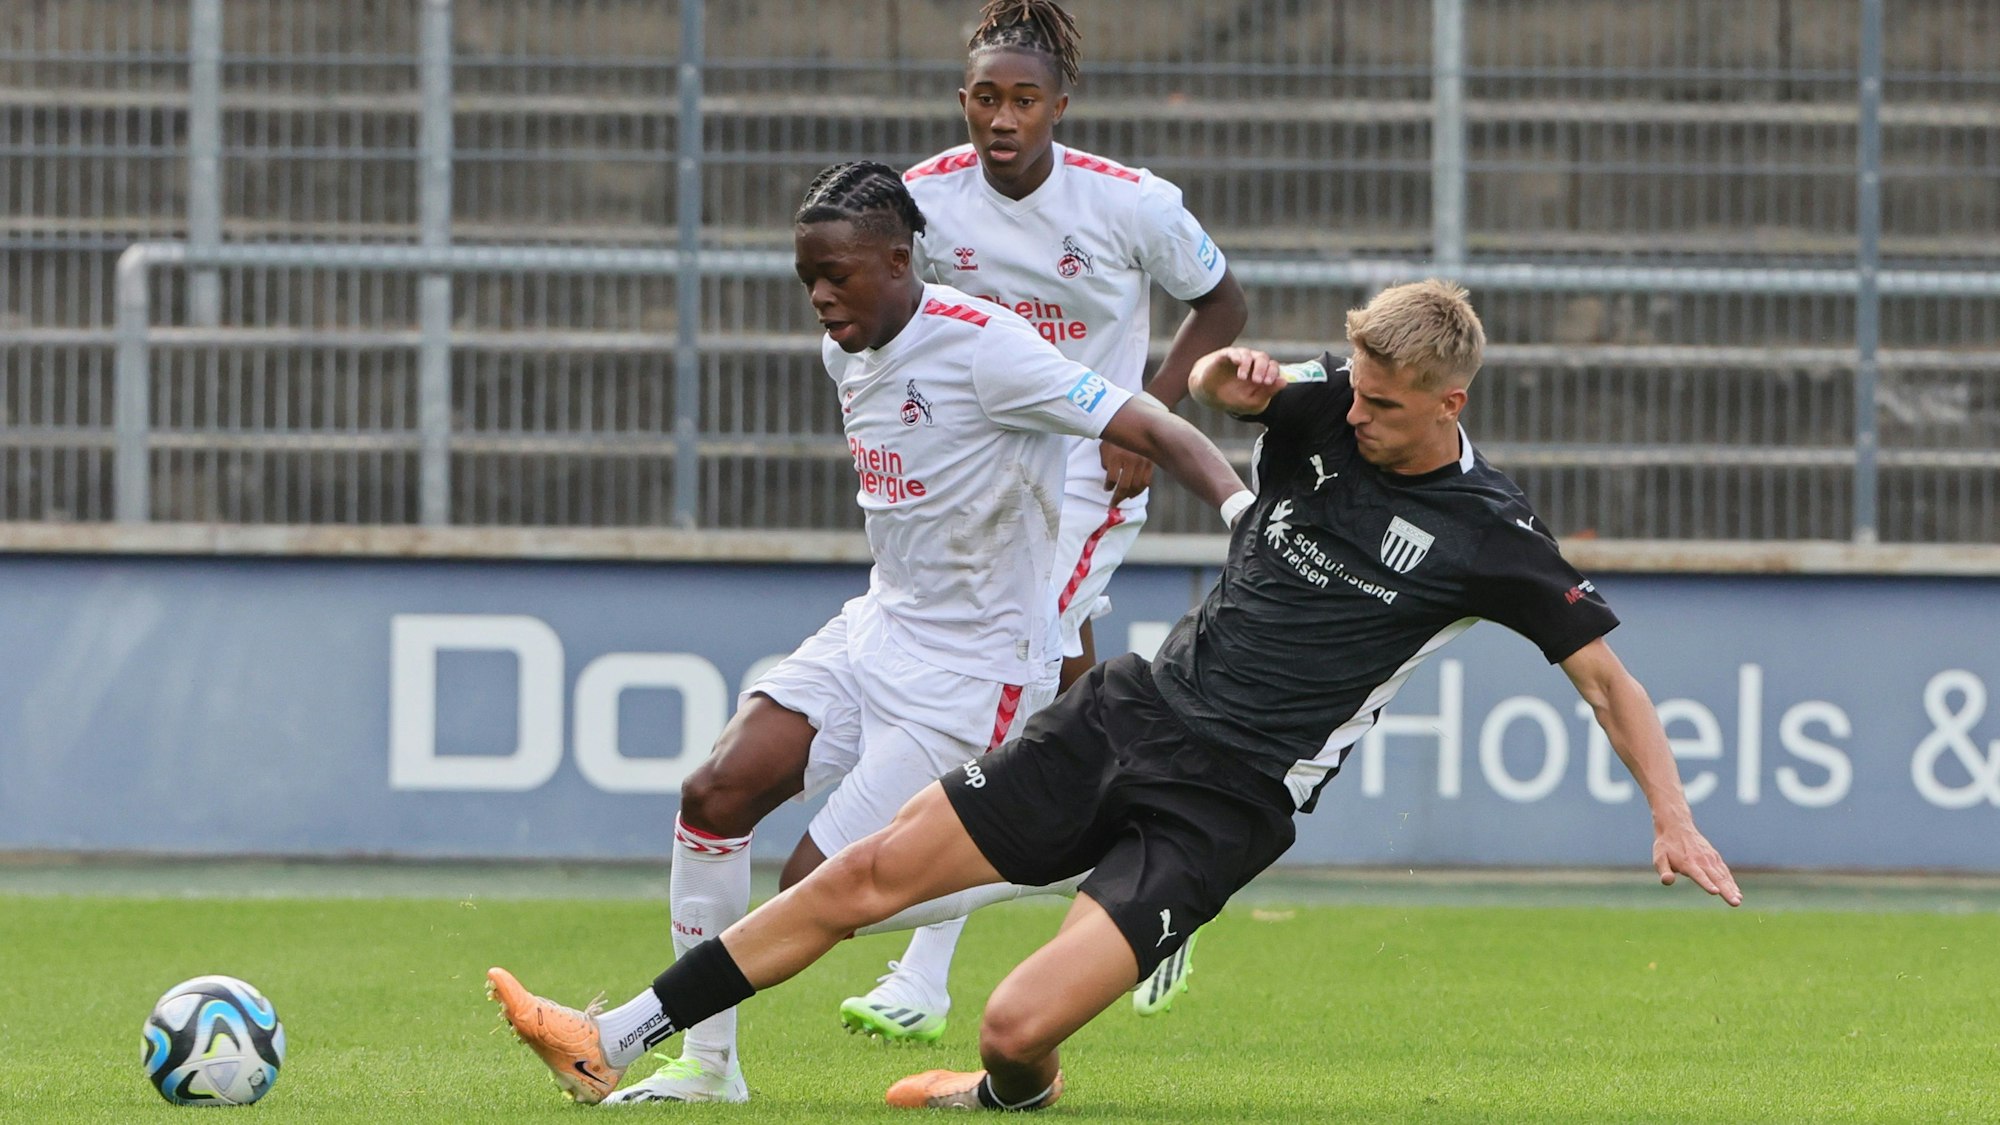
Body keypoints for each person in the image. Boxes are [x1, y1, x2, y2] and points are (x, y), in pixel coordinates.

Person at [489, 279, 1742, 1111]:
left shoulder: (1491, 533)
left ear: (1449, 407)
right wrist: (1230, 383)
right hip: (1126, 714)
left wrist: (1670, 815)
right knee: (852, 879)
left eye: (1385, 405)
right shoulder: (1319, 409)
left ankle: (998, 1098)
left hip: (1230, 801)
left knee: (1008, 1030)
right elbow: (1206, 393)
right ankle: (615, 1042)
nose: (1354, 415)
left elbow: (1605, 682)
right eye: (1350, 389)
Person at [603, 159, 1254, 1105]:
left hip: (973, 669)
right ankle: (708, 1070)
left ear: (902, 260)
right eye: (808, 279)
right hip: (876, 628)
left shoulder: (990, 347)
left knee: (814, 890)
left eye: (838, 275)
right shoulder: (848, 349)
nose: (821, 297)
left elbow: (1149, 424)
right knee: (716, 789)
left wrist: (1243, 512)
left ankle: (1120, 870)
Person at [861, 0, 1248, 1033]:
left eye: (1022, 99)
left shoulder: (1129, 204)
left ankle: (920, 971)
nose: (1002, 117)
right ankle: (1154, 863)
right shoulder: (922, 201)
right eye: (985, 97)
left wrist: (1144, 415)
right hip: (985, 465)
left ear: (1057, 107)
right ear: (963, 101)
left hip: (1089, 467)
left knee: (1008, 661)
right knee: (1067, 684)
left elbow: (1222, 304)